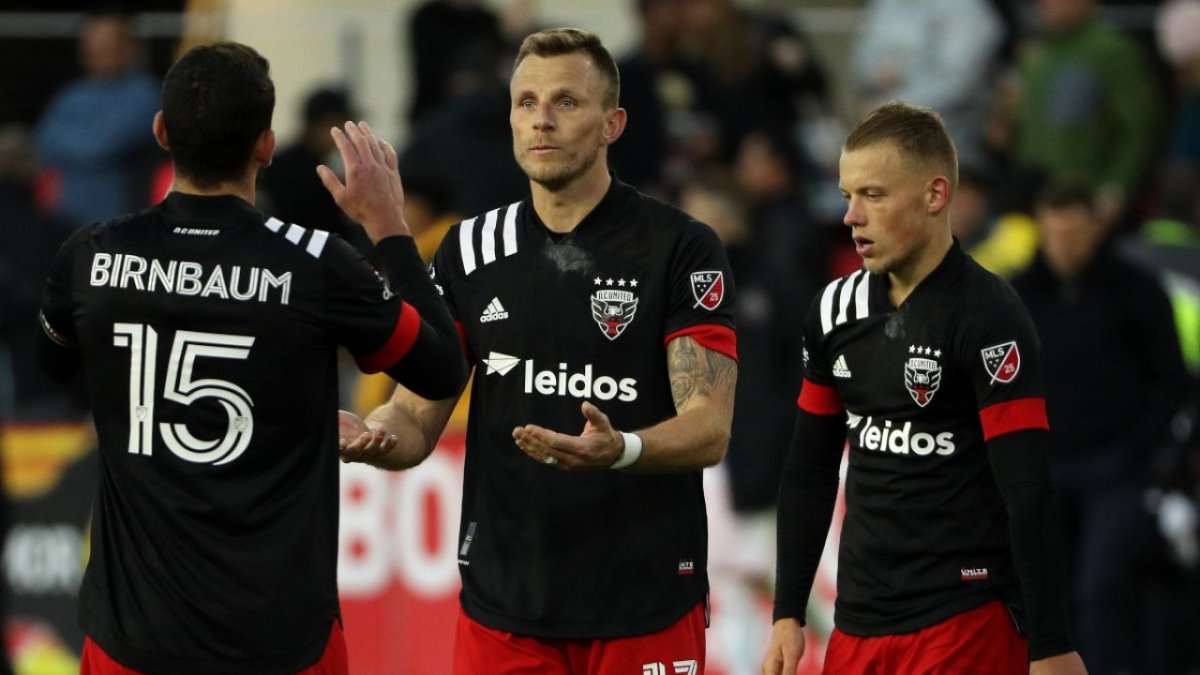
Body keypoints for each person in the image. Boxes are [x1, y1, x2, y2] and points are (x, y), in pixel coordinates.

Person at [33, 42, 465, 674]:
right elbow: (439, 368)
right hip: (279, 639)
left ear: (161, 132)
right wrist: (390, 228)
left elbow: (53, 364)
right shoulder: (317, 264)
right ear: (265, 145)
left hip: (131, 636)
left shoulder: (91, 255)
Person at [340, 27, 739, 675]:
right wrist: (374, 434)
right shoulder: (468, 249)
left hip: (645, 599)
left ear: (613, 124)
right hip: (507, 608)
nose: (542, 120)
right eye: (525, 102)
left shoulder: (680, 247)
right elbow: (415, 417)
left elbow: (709, 426)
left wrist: (622, 449)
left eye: (565, 102)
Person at [762, 102, 1086, 675]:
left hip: (963, 618)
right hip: (857, 623)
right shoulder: (834, 309)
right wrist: (788, 611)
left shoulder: (988, 315)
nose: (851, 217)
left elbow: (1027, 488)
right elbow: (809, 469)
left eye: (874, 195)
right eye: (846, 196)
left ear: (936, 196)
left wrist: (1051, 643)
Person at [1011, 177, 1191, 674]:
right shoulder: (1017, 297)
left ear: (1096, 227)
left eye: (1074, 233)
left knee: (1103, 587)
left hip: (1117, 469)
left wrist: (1142, 451)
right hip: (1045, 470)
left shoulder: (1136, 289)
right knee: (1047, 596)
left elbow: (1170, 380)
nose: (1065, 246)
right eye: (1054, 234)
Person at [35, 11, 162, 229]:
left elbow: (104, 145)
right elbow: (45, 143)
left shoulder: (146, 94)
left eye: (105, 43)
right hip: (65, 223)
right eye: (91, 43)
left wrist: (72, 144)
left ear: (129, 47)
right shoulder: (71, 94)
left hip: (121, 224)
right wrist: (88, 139)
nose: (96, 51)